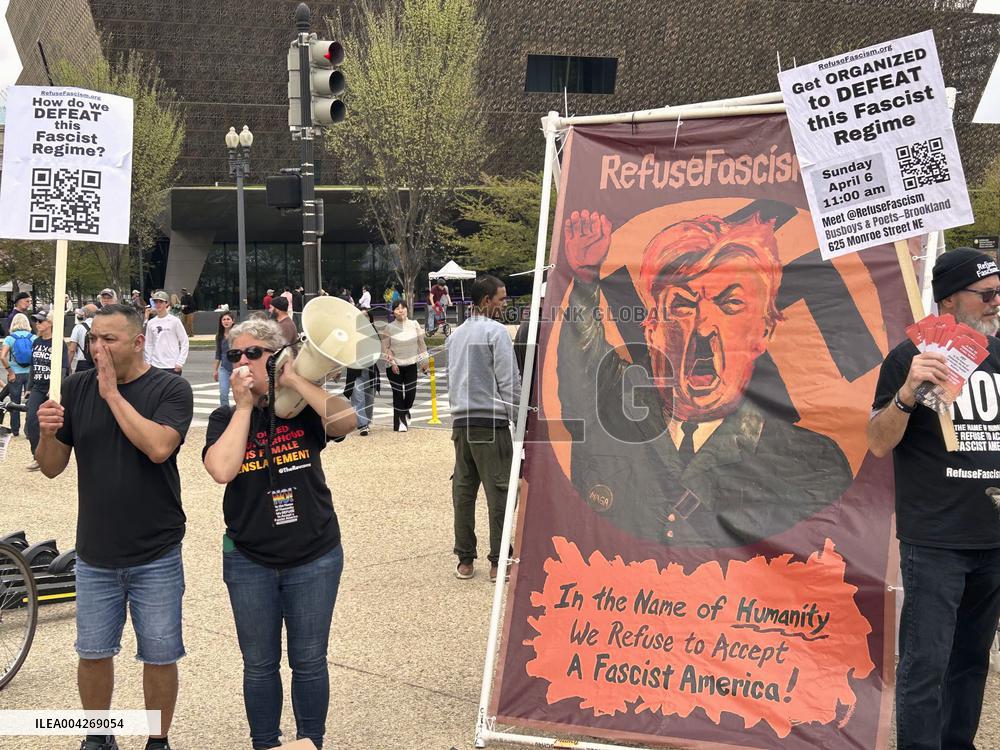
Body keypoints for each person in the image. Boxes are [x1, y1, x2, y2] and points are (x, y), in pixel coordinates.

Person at [557, 204, 851, 547]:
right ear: (652, 329)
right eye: (682, 305)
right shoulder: (612, 415)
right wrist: (585, 279)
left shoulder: (812, 464)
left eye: (731, 304)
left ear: (765, 330)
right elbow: (582, 366)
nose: (703, 327)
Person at [34, 303, 193, 750]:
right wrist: (47, 434)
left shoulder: (169, 388)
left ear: (138, 342)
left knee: (160, 655)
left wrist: (113, 395)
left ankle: (157, 740)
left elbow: (159, 448)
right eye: (93, 338)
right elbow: (51, 468)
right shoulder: (76, 388)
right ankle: (97, 736)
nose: (97, 348)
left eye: (110, 339)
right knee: (93, 652)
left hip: (156, 551)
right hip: (96, 551)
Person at [202, 317, 356, 750]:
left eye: (255, 353)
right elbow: (221, 469)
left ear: (274, 356)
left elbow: (347, 421)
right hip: (249, 559)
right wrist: (247, 407)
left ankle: (312, 741)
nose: (244, 361)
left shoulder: (302, 411)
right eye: (236, 355)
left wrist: (292, 379)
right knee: (259, 665)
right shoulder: (224, 417)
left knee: (309, 661)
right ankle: (265, 743)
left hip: (315, 555)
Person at [868, 248, 1000, 750]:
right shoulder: (910, 359)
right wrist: (907, 392)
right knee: (926, 665)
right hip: (936, 541)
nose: (995, 303)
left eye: (999, 293)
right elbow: (879, 441)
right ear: (949, 299)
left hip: (991, 534)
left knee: (971, 661)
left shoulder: (997, 352)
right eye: (986, 294)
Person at [446, 275, 520, 582]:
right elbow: (508, 379)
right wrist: (518, 416)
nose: (504, 305)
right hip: (490, 421)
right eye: (501, 299)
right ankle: (498, 560)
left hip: (460, 422)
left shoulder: (454, 335)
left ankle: (465, 558)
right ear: (486, 300)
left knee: (464, 490)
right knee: (499, 491)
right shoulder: (496, 332)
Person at [24, 308, 69, 471]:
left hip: (51, 387)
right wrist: (29, 387)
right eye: (36, 321)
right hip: (37, 386)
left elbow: (64, 367)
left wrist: (56, 386)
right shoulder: (36, 342)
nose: (37, 323)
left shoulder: (58, 343)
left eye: (40, 321)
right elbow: (33, 366)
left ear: (50, 323)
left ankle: (55, 456)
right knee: (31, 421)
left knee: (56, 422)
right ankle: (38, 457)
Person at [382, 299, 428, 431]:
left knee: (410, 393)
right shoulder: (389, 328)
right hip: (394, 366)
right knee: (397, 394)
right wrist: (392, 362)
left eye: (403, 308)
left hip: (411, 364)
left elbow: (421, 344)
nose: (400, 310)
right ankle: (400, 423)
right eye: (397, 308)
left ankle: (405, 410)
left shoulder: (414, 324)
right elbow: (385, 348)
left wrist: (424, 361)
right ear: (393, 312)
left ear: (407, 309)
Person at [0, 312, 35, 436]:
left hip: (15, 373)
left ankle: (15, 430)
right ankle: (28, 430)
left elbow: (2, 357)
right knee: (30, 402)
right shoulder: (33, 338)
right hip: (30, 374)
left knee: (14, 403)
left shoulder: (10, 338)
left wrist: (10, 371)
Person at [144, 291, 189, 375]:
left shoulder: (175, 321)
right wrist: (148, 362)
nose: (158, 304)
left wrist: (180, 361)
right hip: (155, 365)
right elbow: (148, 343)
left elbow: (184, 341)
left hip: (172, 365)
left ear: (166, 303)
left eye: (161, 302)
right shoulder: (151, 323)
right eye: (156, 302)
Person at [213, 311, 236, 408]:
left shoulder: (237, 334)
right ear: (221, 322)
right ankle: (225, 413)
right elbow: (218, 354)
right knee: (223, 393)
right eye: (224, 319)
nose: (226, 321)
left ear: (232, 321)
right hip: (224, 369)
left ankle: (239, 413)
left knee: (238, 394)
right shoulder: (219, 336)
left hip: (236, 368)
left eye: (228, 319)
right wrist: (215, 370)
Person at [69, 304, 98, 373]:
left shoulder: (78, 327)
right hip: (98, 362)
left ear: (85, 313)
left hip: (83, 363)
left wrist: (68, 366)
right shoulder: (101, 326)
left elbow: (72, 350)